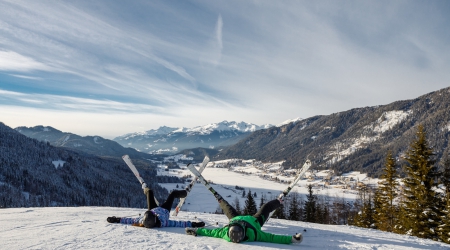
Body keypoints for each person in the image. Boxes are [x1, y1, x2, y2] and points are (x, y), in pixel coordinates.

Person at [184, 192, 303, 245]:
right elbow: (272, 238)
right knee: (265, 208)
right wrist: (291, 239)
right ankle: (278, 201)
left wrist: (196, 230)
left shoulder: (224, 233)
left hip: (237, 218)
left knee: (228, 209)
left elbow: (210, 232)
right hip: (255, 221)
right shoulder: (253, 234)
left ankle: (220, 200)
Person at [107, 184, 204, 228]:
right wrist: (194, 224)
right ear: (155, 218)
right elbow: (179, 223)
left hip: (153, 208)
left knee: (150, 192)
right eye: (153, 214)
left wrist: (116, 219)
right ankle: (185, 193)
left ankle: (145, 189)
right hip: (165, 209)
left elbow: (129, 220)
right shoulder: (164, 222)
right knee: (173, 194)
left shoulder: (142, 220)